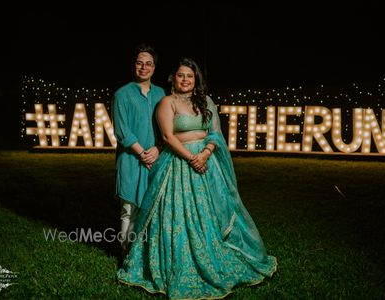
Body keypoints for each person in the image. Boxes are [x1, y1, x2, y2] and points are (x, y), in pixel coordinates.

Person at [117, 58, 277, 299]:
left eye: (189, 76)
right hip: (179, 162)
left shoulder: (206, 101)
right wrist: (192, 158)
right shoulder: (166, 102)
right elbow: (168, 137)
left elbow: (214, 132)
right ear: (173, 78)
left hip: (206, 161)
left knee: (211, 210)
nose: (185, 79)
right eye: (181, 75)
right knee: (178, 214)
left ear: (196, 80)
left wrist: (205, 153)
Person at [112, 43, 165, 255]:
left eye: (148, 64)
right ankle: (126, 254)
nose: (144, 67)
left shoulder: (162, 94)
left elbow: (167, 128)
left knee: (153, 207)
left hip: (157, 157)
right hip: (131, 159)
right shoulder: (122, 94)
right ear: (134, 65)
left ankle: (148, 255)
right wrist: (143, 153)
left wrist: (158, 149)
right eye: (139, 63)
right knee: (129, 209)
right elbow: (122, 130)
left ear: (154, 68)